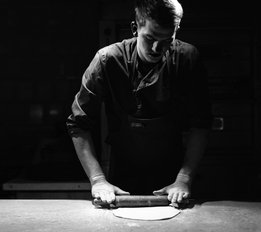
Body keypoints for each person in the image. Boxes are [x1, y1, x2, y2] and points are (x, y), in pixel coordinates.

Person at [66, 0, 212, 205]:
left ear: (176, 32)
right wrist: (98, 180)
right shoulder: (107, 60)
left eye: (166, 41)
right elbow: (78, 124)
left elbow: (201, 124)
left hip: (173, 177)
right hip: (121, 176)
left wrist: (184, 179)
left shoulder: (187, 59)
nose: (156, 48)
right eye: (150, 38)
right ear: (135, 28)